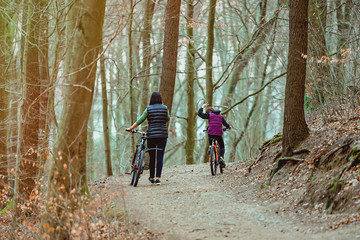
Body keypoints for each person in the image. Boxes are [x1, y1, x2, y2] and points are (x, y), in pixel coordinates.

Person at [126, 92, 170, 185]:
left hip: (151, 135)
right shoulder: (165, 108)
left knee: (152, 156)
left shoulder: (148, 109)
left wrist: (131, 128)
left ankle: (152, 177)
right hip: (162, 135)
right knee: (160, 156)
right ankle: (158, 178)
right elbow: (168, 118)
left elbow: (140, 120)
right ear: (160, 99)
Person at [198, 102, 231, 167]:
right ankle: (221, 157)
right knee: (222, 147)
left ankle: (210, 146)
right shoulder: (221, 116)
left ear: (209, 112)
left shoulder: (209, 115)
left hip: (211, 132)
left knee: (209, 132)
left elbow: (200, 114)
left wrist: (202, 107)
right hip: (218, 133)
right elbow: (225, 124)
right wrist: (229, 127)